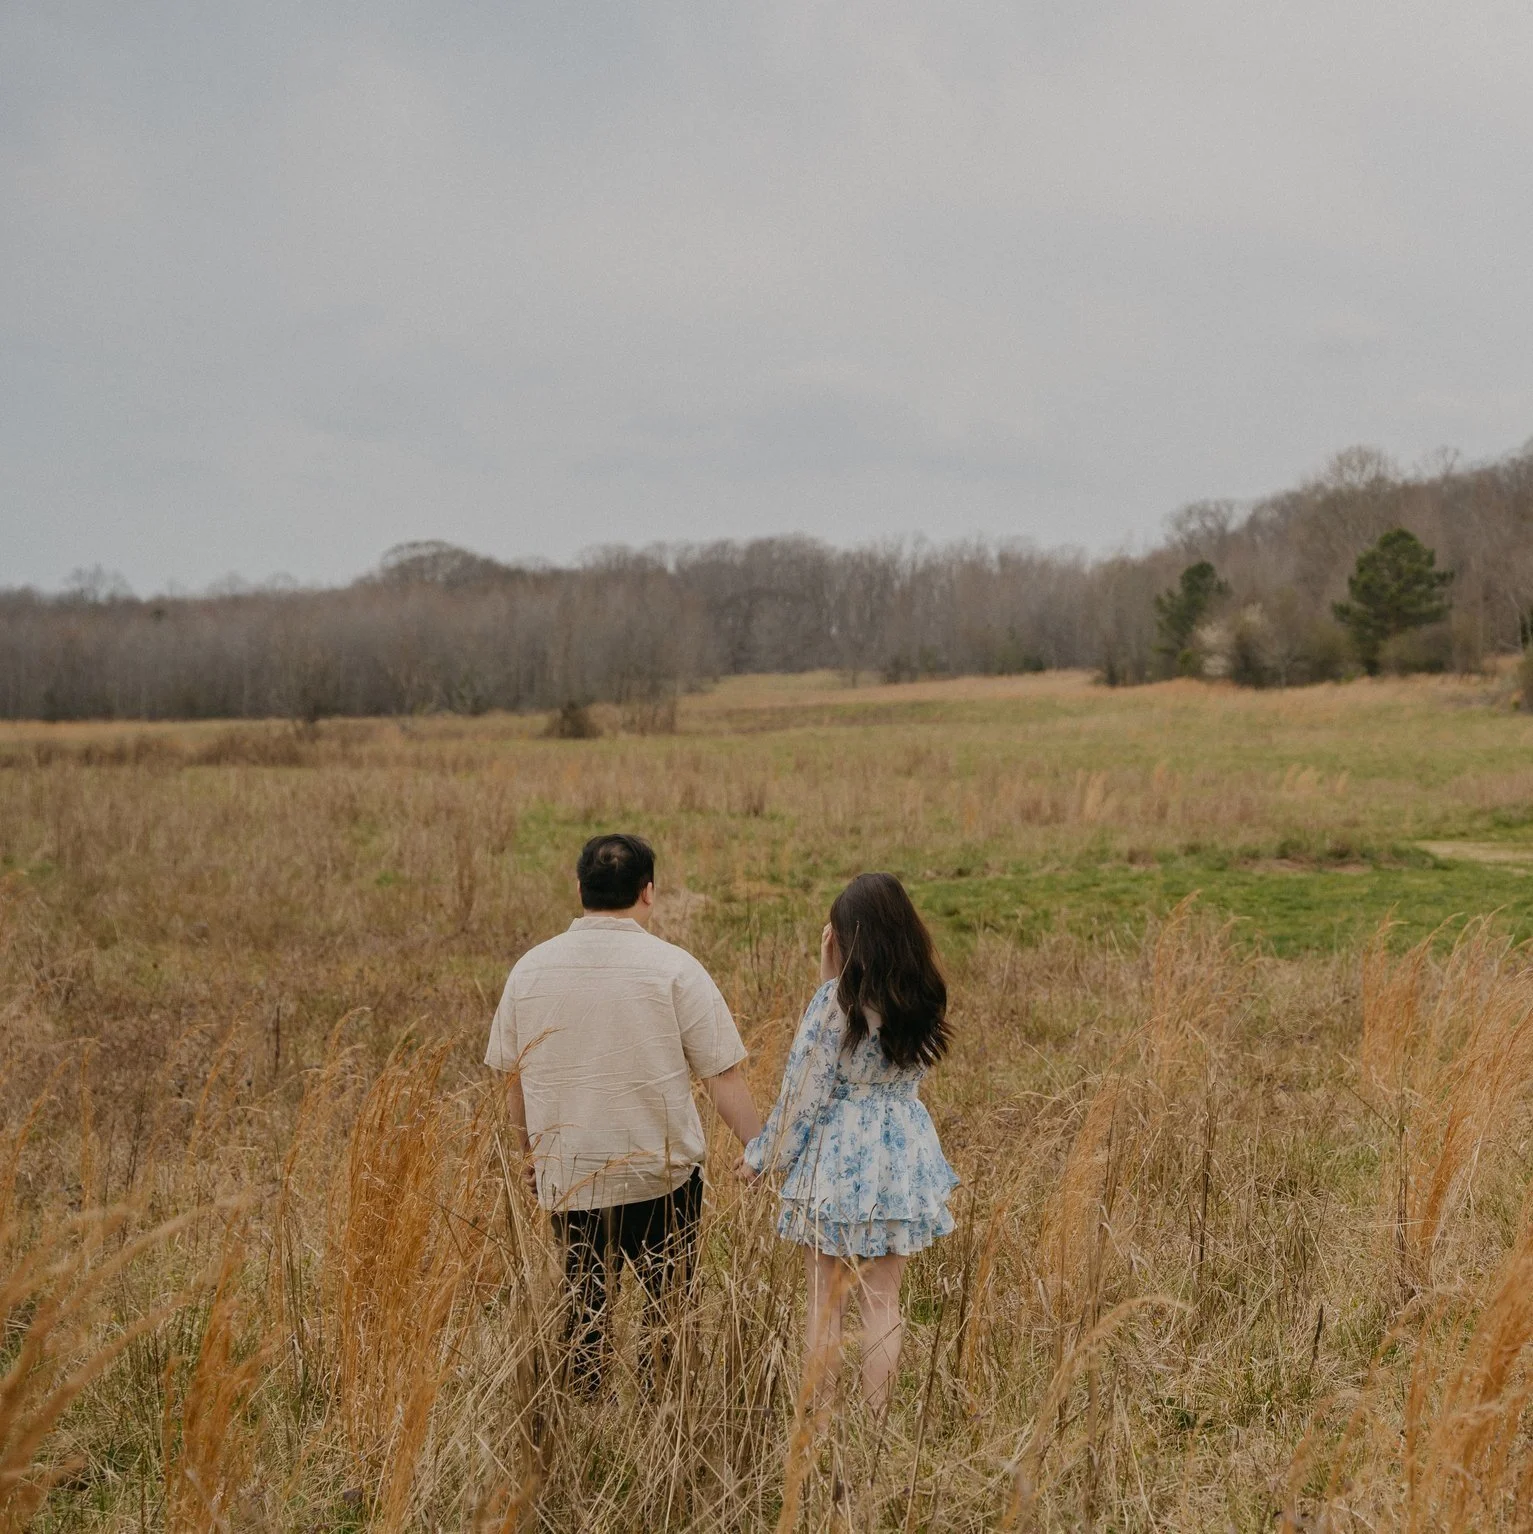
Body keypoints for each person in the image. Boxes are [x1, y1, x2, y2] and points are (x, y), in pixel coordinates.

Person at [485, 833, 762, 1390]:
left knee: (584, 1304)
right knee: (669, 1310)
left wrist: (528, 1154)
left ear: (579, 889)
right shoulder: (674, 969)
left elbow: (513, 1080)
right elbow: (722, 1076)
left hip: (571, 1172)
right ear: (649, 893)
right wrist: (762, 1146)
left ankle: (585, 1414)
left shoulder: (530, 970)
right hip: (660, 1175)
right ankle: (664, 1415)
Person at [739, 872, 957, 1412]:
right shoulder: (925, 997)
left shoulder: (834, 1003)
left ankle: (821, 1421)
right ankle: (875, 1423)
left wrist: (763, 1157)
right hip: (899, 1153)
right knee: (882, 1301)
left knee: (825, 1302)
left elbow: (804, 1092)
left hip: (838, 1158)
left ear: (849, 939)